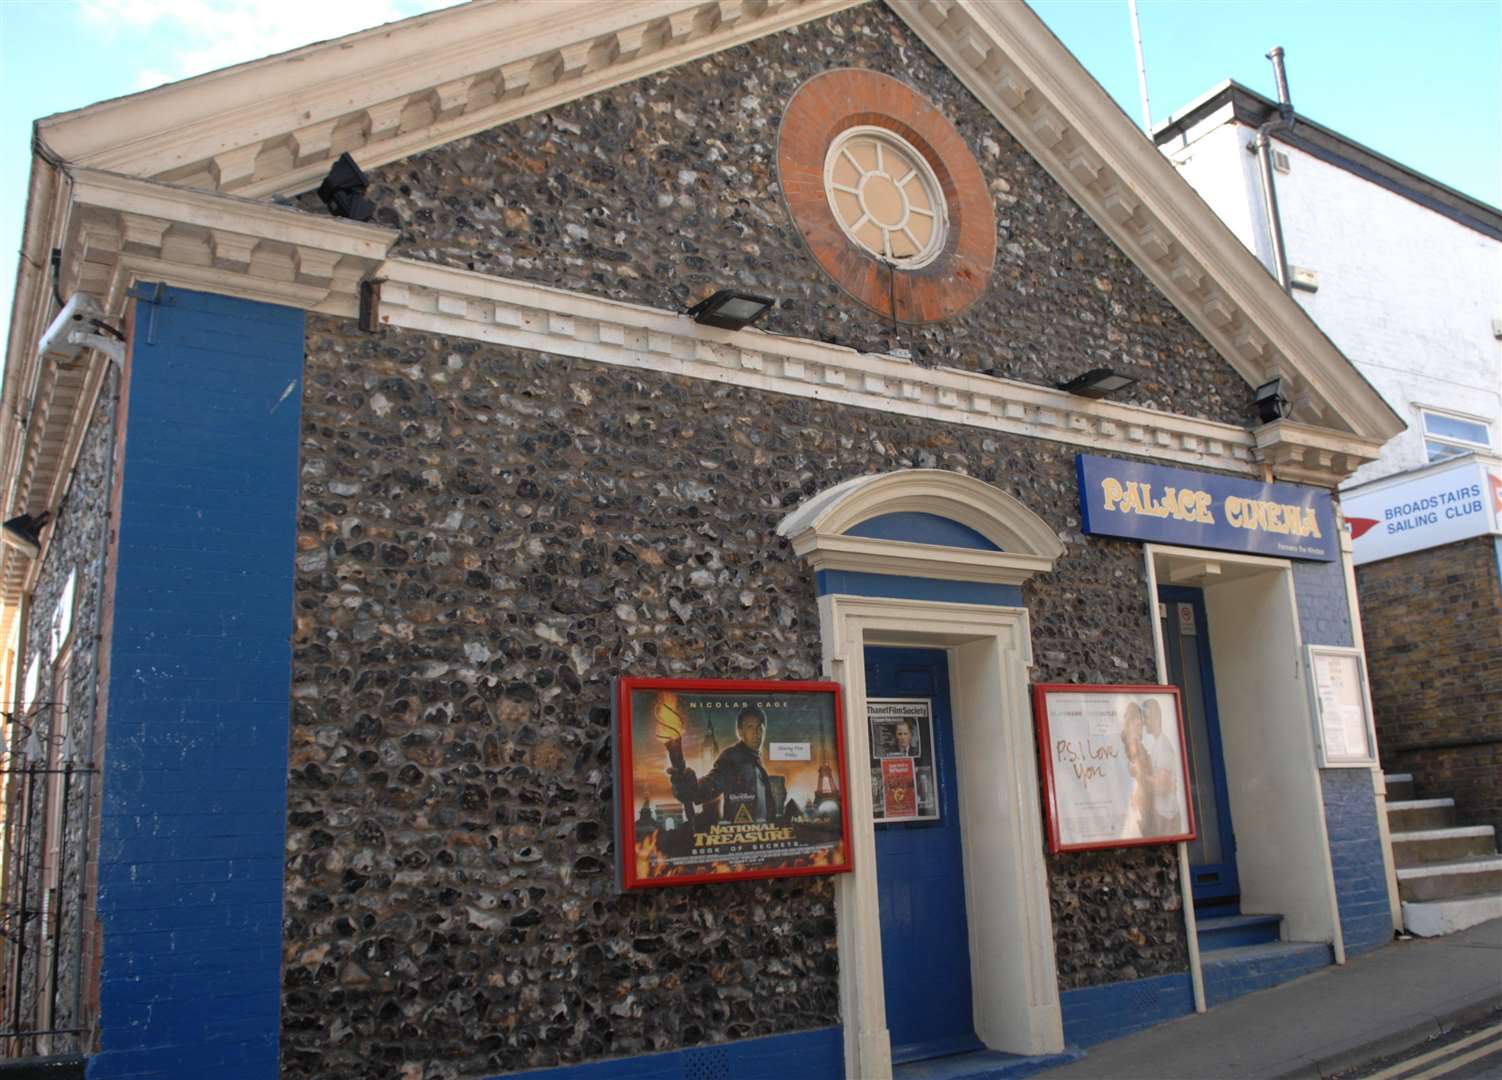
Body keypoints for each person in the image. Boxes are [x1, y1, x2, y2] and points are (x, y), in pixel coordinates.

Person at [665, 707, 778, 824]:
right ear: (740, 732)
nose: (757, 733)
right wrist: (689, 786)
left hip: (763, 834)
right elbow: (711, 784)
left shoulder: (757, 761)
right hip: (741, 835)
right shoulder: (732, 757)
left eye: (760, 728)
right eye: (750, 727)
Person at [1141, 698, 1184, 835]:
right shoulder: (1156, 745)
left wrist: (1141, 775)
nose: (1144, 722)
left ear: (1157, 718)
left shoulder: (1163, 747)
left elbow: (1162, 786)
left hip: (1167, 819)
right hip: (1162, 815)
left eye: (1146, 717)